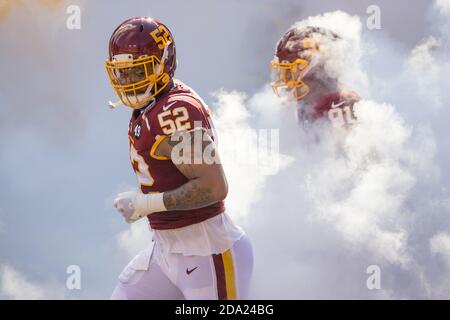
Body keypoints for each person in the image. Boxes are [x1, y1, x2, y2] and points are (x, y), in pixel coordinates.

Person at [105, 17, 253, 300]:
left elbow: (213, 187)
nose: (128, 81)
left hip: (207, 250)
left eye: (138, 71)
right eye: (122, 73)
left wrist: (146, 203)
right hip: (167, 250)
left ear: (164, 64)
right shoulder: (151, 105)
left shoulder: (176, 111)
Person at [269, 26, 359, 131]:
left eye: (291, 69)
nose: (285, 79)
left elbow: (343, 145)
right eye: (283, 70)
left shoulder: (339, 105)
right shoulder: (305, 103)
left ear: (317, 68)